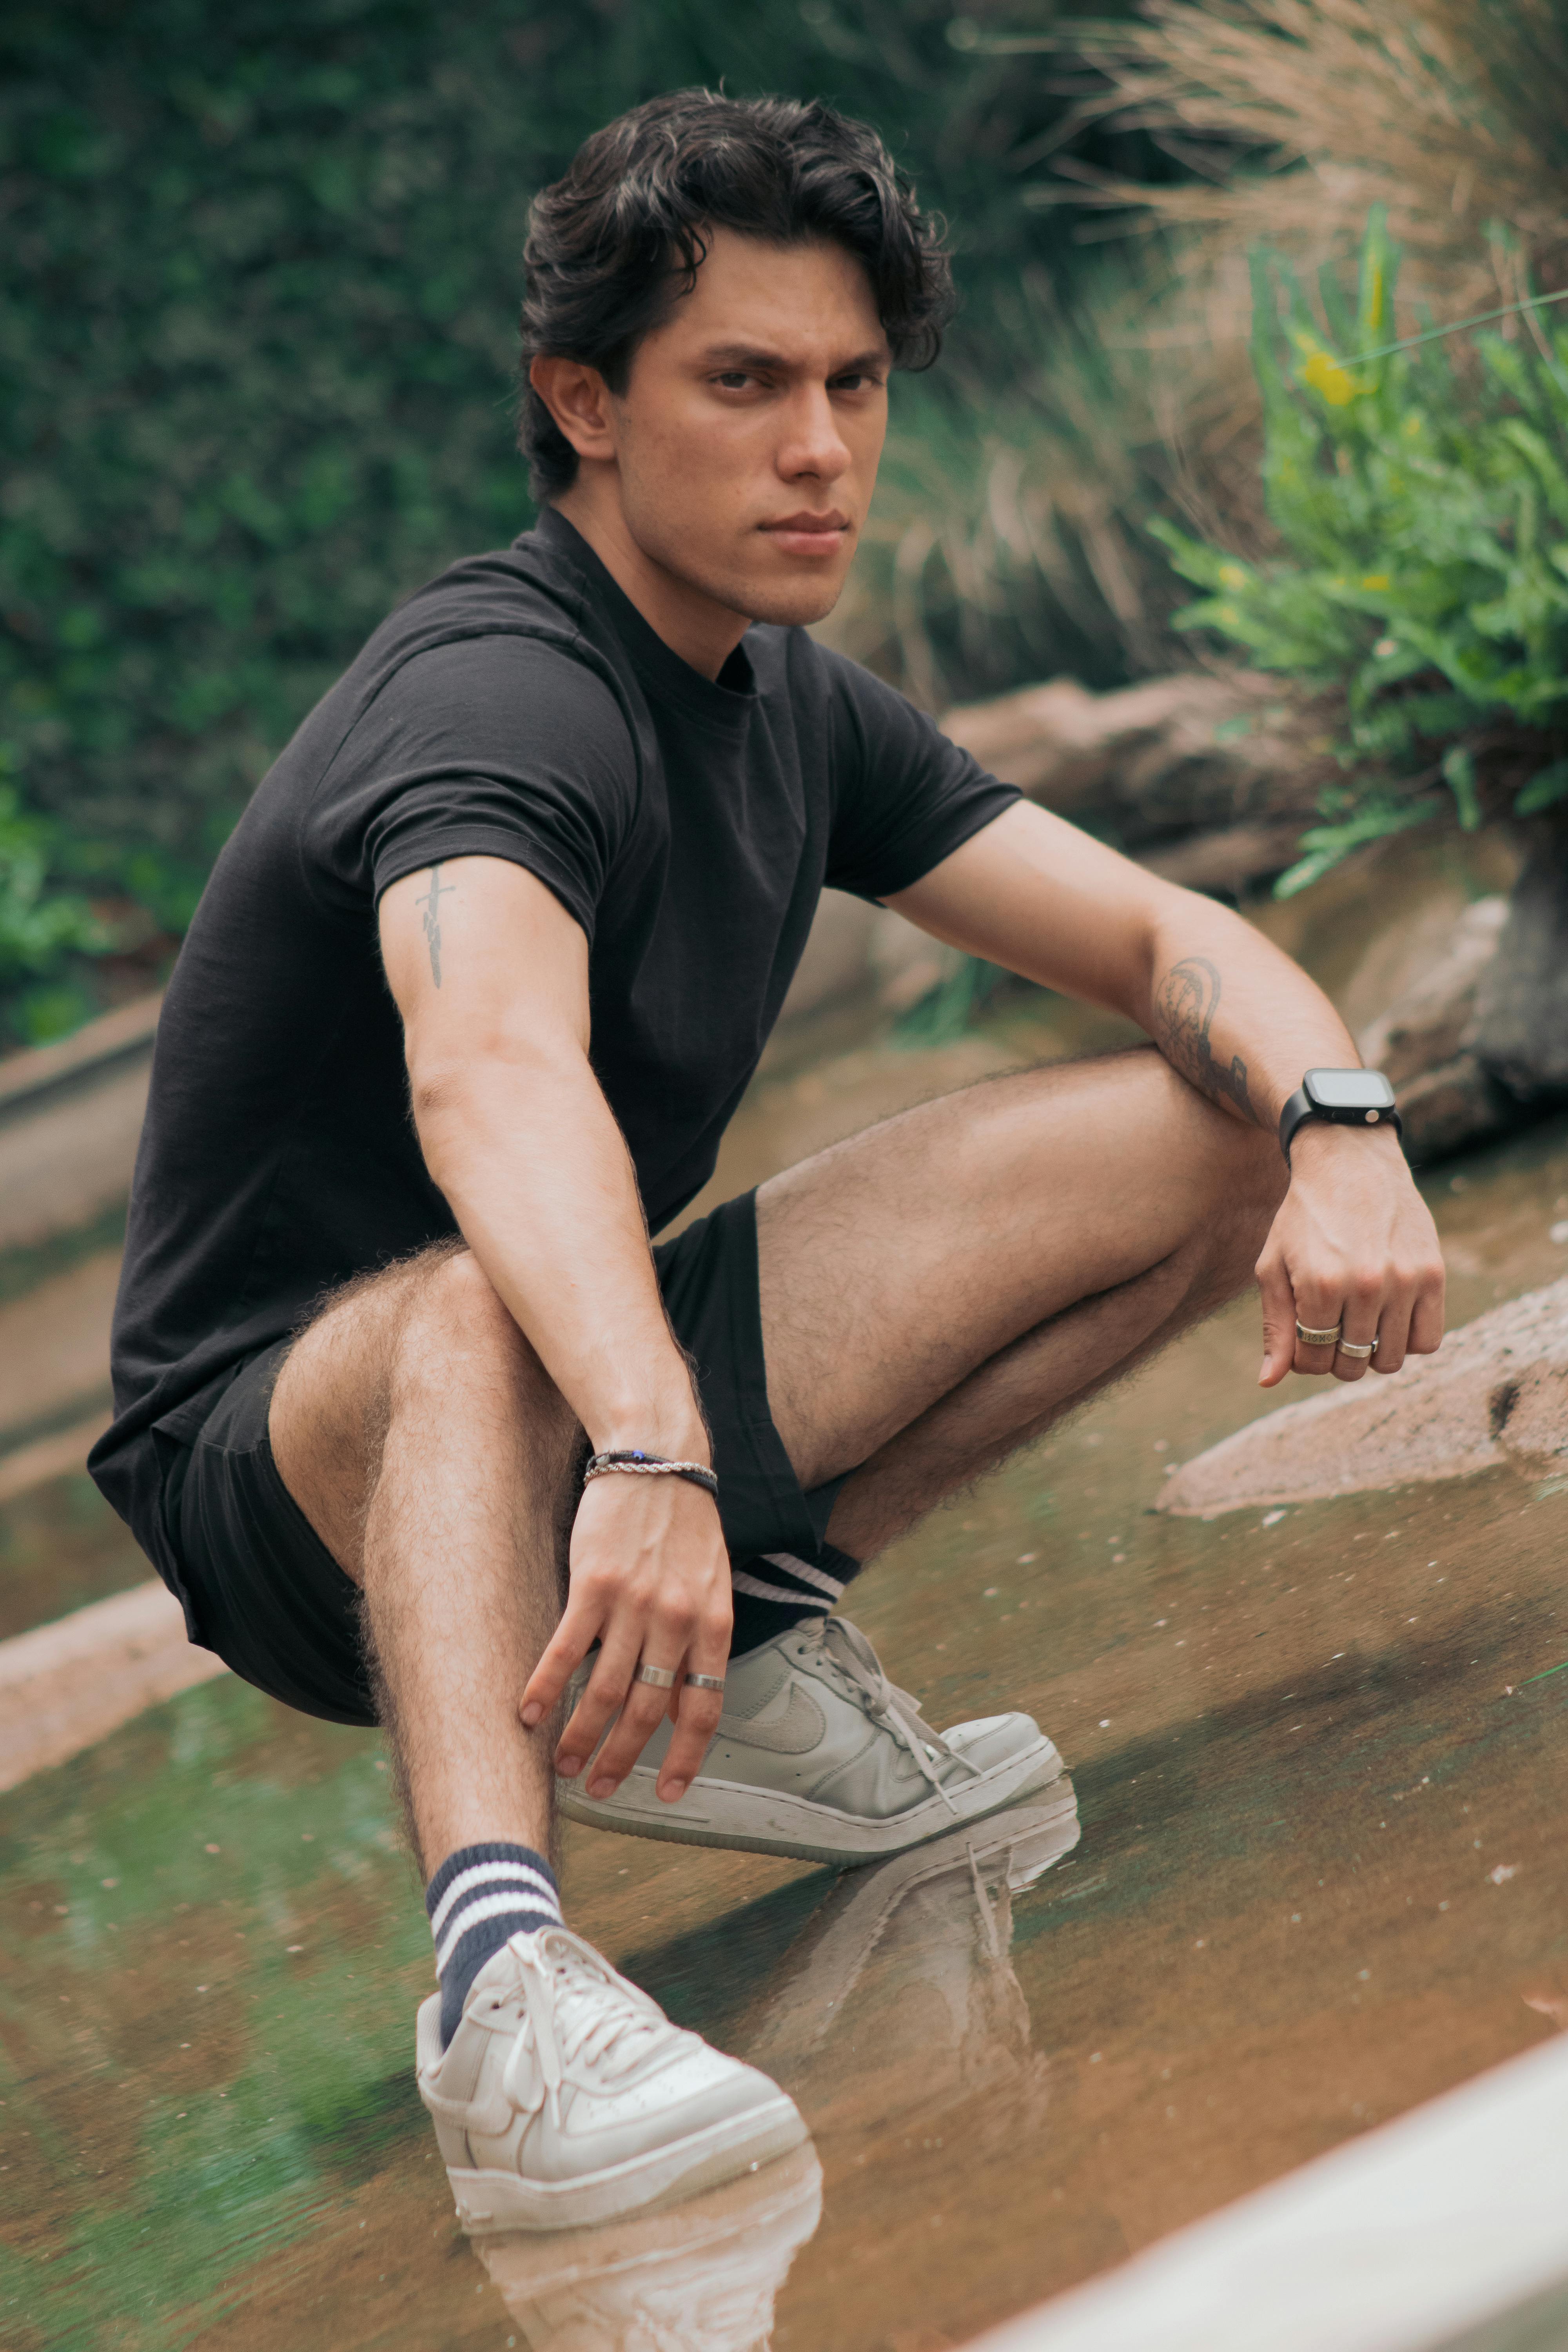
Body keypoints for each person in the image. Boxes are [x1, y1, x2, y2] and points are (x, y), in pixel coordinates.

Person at [89, 89, 1446, 2234]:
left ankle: (755, 1663)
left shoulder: (794, 704)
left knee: (1220, 1126)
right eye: (744, 381)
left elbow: (1167, 939)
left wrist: (1343, 1118)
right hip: (294, 1459)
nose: (820, 444)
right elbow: (491, 1083)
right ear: (585, 406)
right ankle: (506, 1987)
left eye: (852, 385)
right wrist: (649, 1451)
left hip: (595, 1387)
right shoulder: (497, 699)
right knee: (473, 1296)